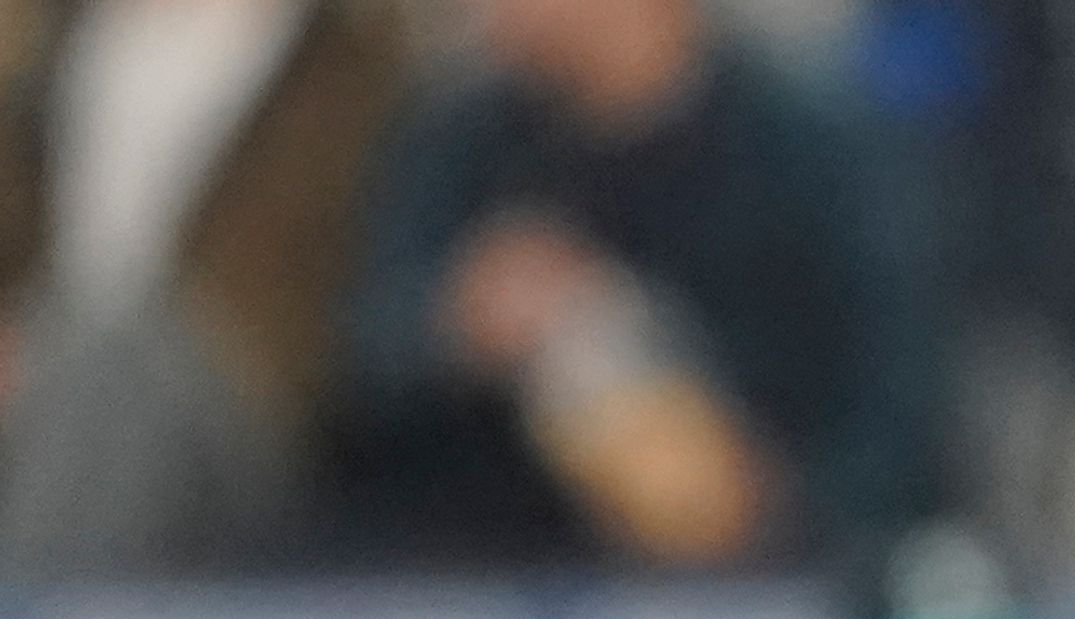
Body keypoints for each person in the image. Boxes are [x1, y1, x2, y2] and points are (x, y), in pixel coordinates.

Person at [337, 0, 939, 566]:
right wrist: (460, 323)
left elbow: (902, 410)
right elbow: (359, 372)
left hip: (778, 603)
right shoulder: (459, 145)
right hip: (480, 594)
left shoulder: (809, 146)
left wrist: (766, 505)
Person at [0, 0, 409, 572]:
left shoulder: (353, 70)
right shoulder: (59, 48)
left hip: (250, 401)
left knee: (124, 365)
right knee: (95, 366)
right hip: (47, 374)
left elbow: (349, 275)